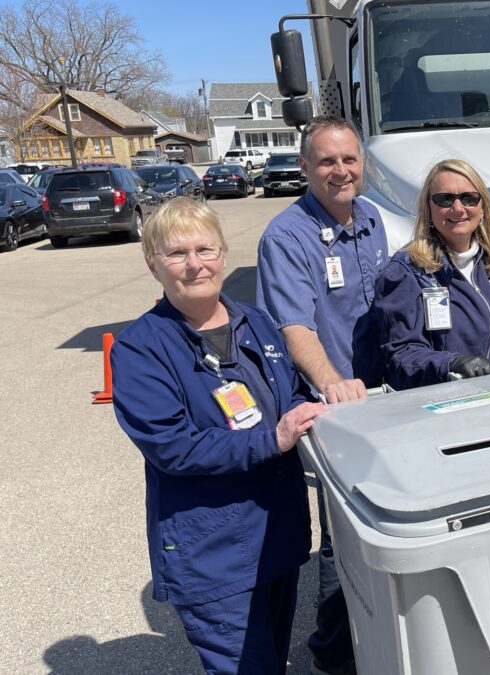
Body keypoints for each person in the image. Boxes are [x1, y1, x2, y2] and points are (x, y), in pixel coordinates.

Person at [111, 198, 326, 674]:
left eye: (205, 249)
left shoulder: (258, 322)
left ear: (223, 254)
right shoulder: (140, 348)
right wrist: (273, 439)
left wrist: (309, 416)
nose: (194, 264)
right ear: (153, 265)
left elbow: (287, 394)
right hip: (215, 557)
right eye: (176, 253)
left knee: (271, 661)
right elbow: (173, 446)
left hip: (278, 538)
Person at [256, 115, 389, 675]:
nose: (341, 171)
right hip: (337, 409)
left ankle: (382, 633)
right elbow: (294, 328)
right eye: (328, 161)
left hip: (386, 401)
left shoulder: (373, 218)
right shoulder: (285, 237)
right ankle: (334, 655)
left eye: (349, 159)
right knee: (342, 537)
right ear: (305, 166)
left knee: (388, 522)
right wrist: (332, 382)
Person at [374, 158, 490, 389]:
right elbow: (400, 354)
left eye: (469, 198)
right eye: (445, 199)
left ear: (483, 208)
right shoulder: (406, 273)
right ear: (428, 209)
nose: (458, 208)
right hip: (449, 410)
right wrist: (452, 363)